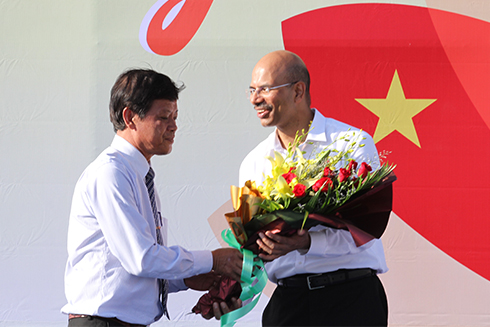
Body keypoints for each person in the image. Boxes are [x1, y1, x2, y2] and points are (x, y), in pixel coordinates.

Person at [62, 69, 242, 326]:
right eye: (164, 117)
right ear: (129, 117)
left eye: (175, 116)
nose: (174, 126)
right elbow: (141, 258)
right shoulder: (111, 173)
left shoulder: (139, 174)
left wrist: (187, 279)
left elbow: (130, 268)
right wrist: (212, 259)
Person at [239, 50, 388, 326]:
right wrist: (233, 289)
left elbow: (366, 230)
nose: (255, 99)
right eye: (251, 90)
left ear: (298, 90)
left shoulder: (350, 144)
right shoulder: (253, 163)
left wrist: (307, 242)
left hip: (352, 300)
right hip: (289, 304)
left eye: (264, 89)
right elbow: (252, 244)